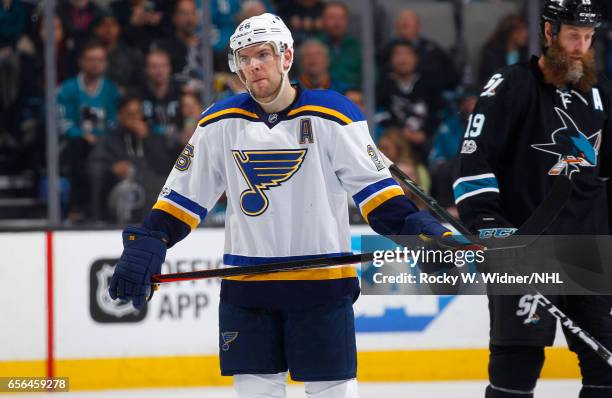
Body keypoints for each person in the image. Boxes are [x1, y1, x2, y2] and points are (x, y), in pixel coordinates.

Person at [108, 13, 468, 397]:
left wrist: (418, 230)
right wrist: (151, 238)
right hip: (248, 290)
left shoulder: (334, 115)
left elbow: (378, 198)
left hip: (322, 290)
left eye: (262, 54)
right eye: (243, 59)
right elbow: (183, 199)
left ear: (286, 57)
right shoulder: (218, 122)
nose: (253, 66)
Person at [453, 1, 612, 397]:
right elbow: (475, 155)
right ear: (548, 32)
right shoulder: (511, 84)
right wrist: (489, 225)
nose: (581, 46)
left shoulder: (600, 94)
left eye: (588, 37)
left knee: (605, 366)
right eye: (573, 35)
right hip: (525, 244)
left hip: (589, 248)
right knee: (517, 363)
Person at [478, 14, 529, 86]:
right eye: (521, 31)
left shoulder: (528, 53)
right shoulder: (492, 54)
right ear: (511, 33)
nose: (525, 34)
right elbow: (485, 81)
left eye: (525, 30)